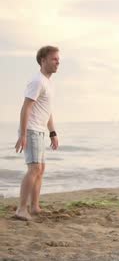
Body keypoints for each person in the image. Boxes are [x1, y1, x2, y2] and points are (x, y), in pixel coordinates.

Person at [14, 46, 60, 221]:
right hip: (32, 130)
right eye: (54, 59)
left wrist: (52, 132)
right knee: (34, 169)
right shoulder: (37, 81)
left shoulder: (49, 83)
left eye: (58, 59)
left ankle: (34, 207)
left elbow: (46, 111)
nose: (58, 62)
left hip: (41, 130)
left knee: (41, 169)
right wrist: (23, 134)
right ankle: (21, 209)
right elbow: (26, 107)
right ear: (43, 60)